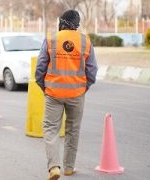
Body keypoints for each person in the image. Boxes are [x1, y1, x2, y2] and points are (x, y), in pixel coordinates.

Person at [35, 9, 98, 180]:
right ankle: (69, 168)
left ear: (62, 22)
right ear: (77, 26)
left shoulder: (51, 39)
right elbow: (92, 70)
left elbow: (40, 68)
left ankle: (54, 167)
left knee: (50, 129)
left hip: (53, 93)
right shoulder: (85, 41)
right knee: (73, 130)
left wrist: (45, 87)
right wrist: (84, 88)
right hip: (76, 94)